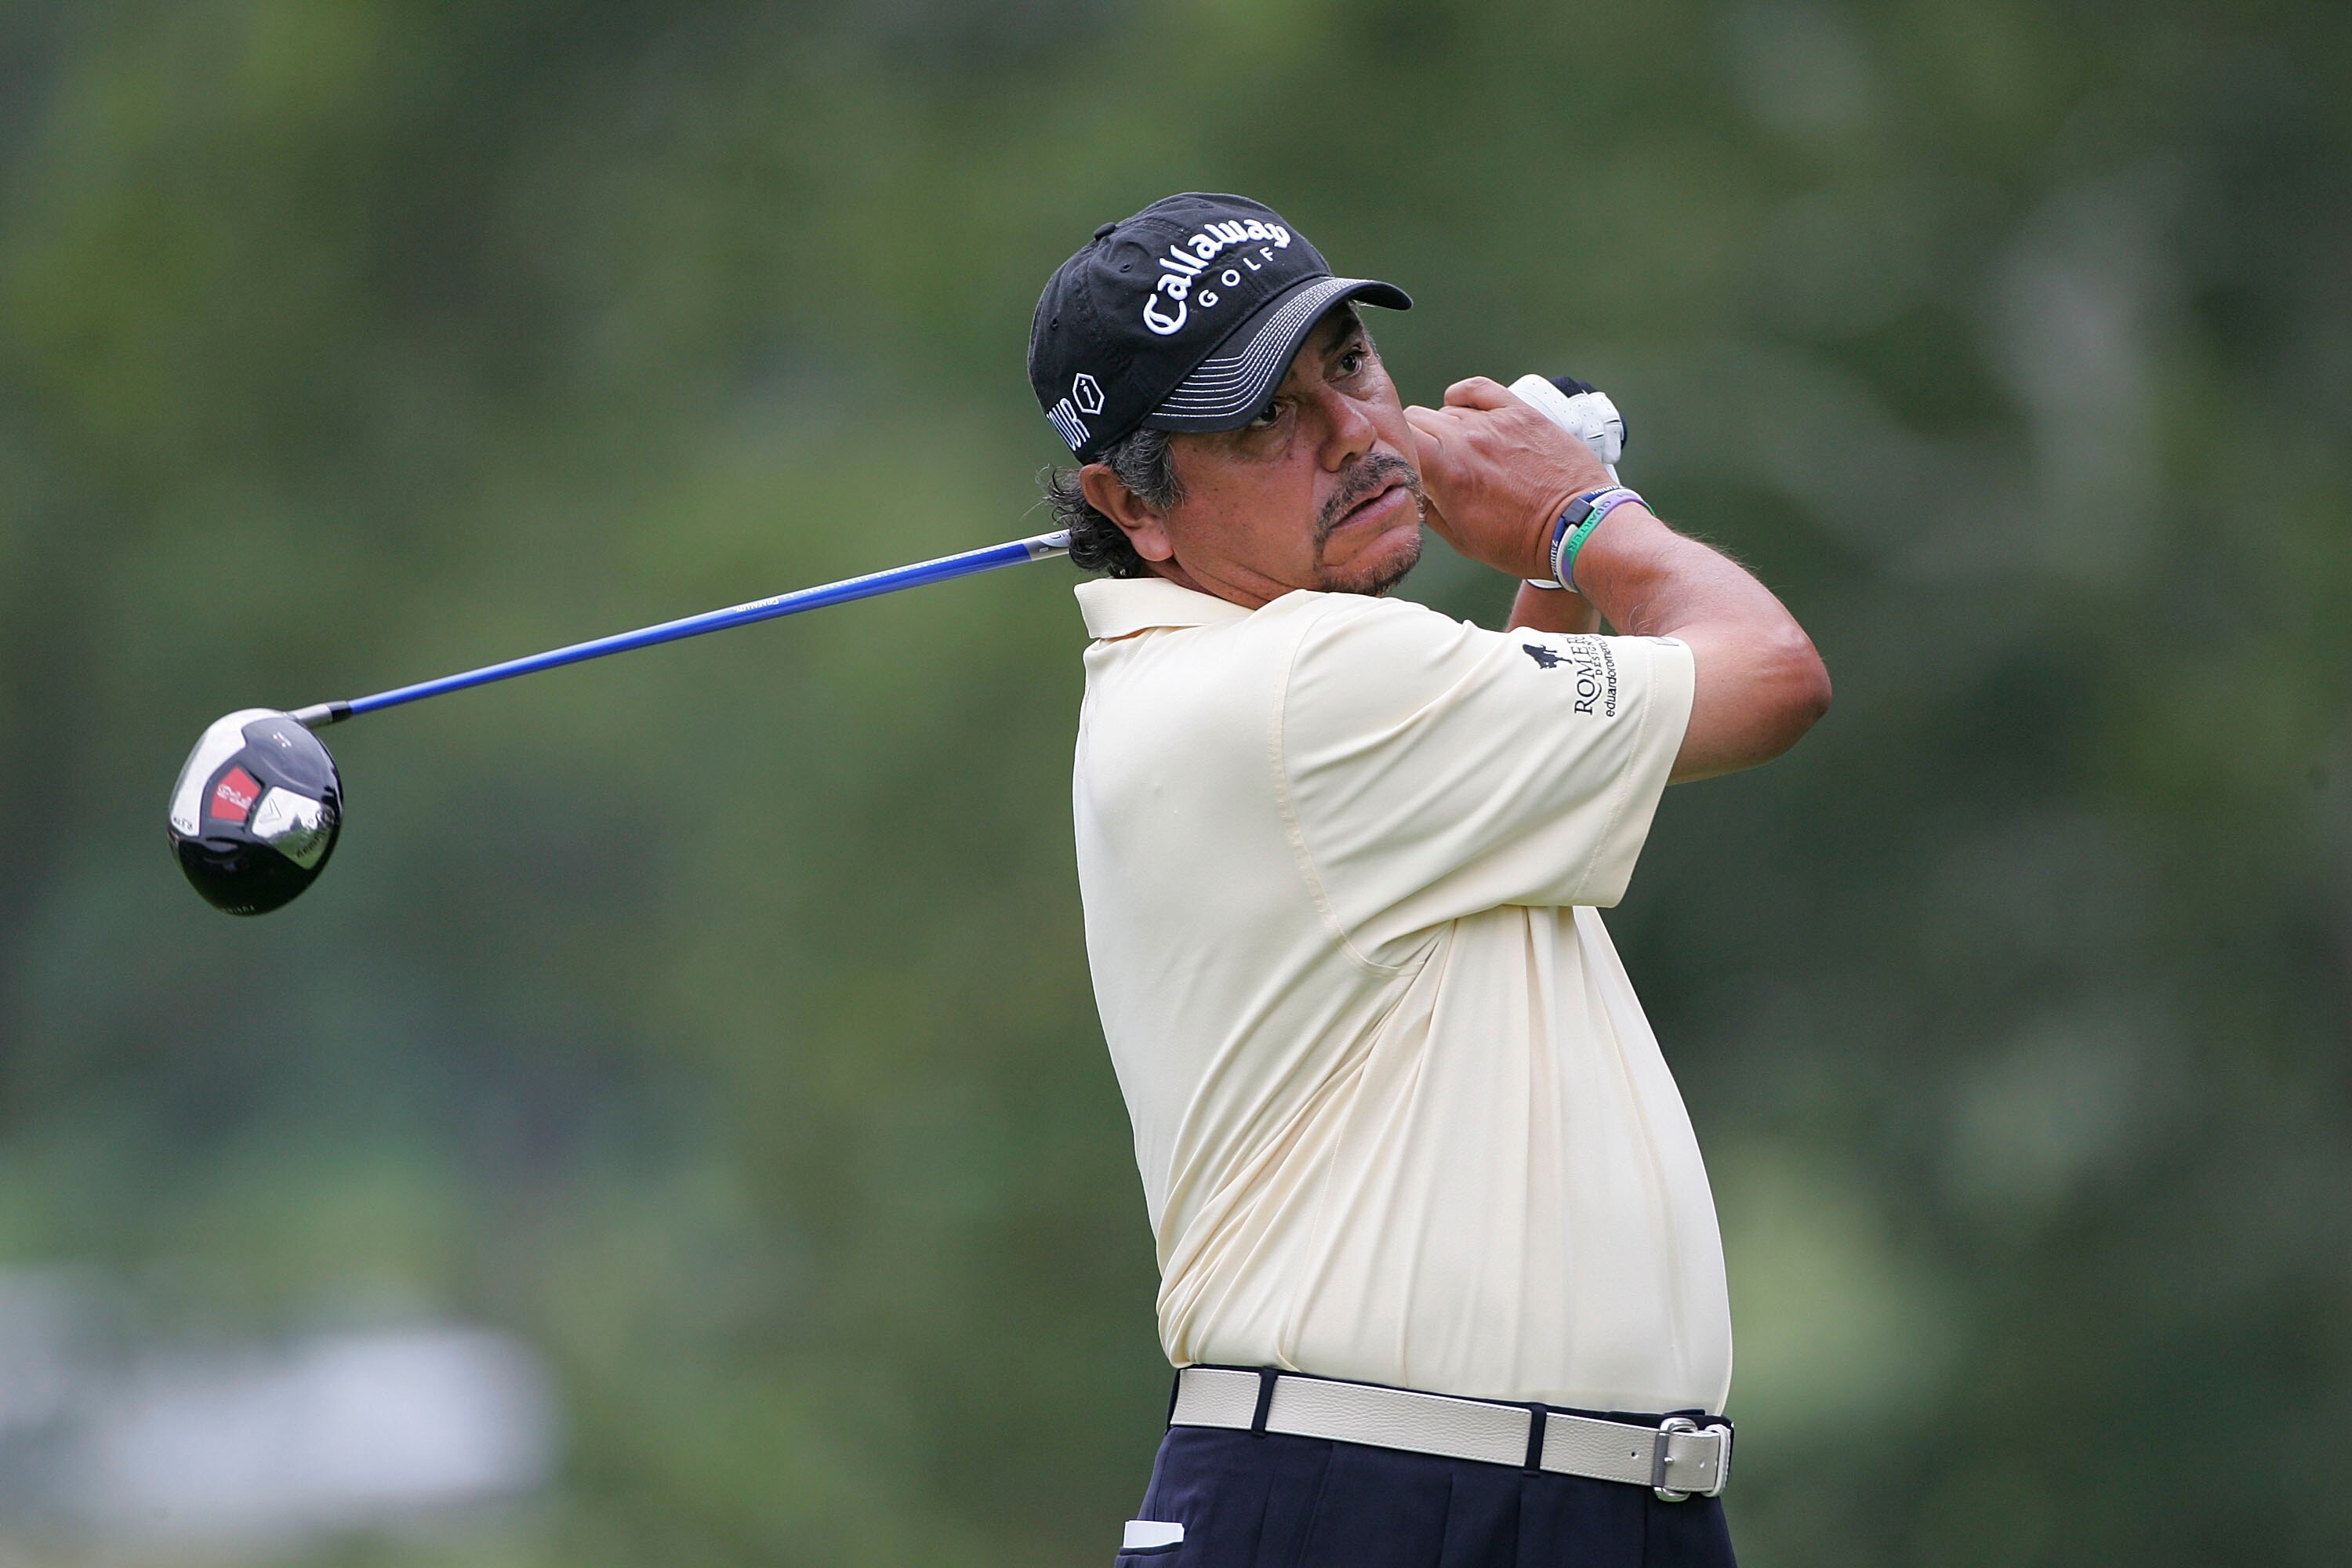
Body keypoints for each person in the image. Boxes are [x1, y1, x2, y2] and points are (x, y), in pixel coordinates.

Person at [1029, 193, 1829, 1568]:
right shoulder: (1303, 685)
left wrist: (1551, 573)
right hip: (1390, 1501)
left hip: (1517, 1499)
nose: (1351, 434)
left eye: (1345, 367)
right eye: (1262, 419)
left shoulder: (1283, 700)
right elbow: (1772, 680)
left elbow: (1515, 800)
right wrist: (1580, 515)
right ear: (1130, 507)